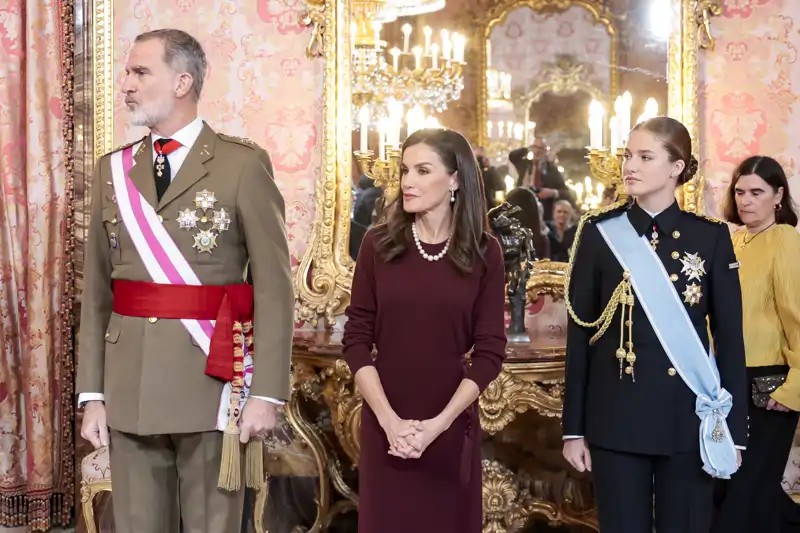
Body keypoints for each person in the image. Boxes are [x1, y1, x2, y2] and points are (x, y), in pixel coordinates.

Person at [75, 29, 294, 533]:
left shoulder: (241, 165)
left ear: (182, 81)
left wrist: (267, 393)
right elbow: (97, 295)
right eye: (126, 72)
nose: (126, 84)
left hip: (212, 384)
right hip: (130, 385)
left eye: (139, 72)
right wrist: (92, 394)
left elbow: (274, 286)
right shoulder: (113, 171)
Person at [562, 116, 748, 533]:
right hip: (616, 419)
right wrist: (573, 430)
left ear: (676, 167)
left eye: (646, 157)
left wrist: (734, 434)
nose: (631, 166)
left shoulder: (711, 238)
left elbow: (730, 341)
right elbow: (580, 337)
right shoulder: (598, 233)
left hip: (686, 419)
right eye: (629, 155)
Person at [342, 128, 507, 533]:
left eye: (422, 170)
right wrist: (389, 422)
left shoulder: (486, 252)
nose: (407, 181)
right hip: (385, 421)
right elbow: (356, 340)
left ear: (454, 179)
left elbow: (490, 353)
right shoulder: (377, 244)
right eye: (404, 170)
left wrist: (438, 425)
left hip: (449, 422)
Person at [712, 155, 800, 533]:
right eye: (740, 191)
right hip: (729, 380)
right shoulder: (736, 239)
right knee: (735, 486)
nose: (746, 200)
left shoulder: (783, 240)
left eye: (757, 192)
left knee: (748, 491)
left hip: (772, 382)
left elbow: (798, 315)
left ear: (778, 196)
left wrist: (794, 386)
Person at [508, 137, 573, 220]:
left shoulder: (552, 170)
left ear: (545, 151)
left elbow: (565, 192)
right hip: (523, 210)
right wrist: (528, 149)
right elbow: (512, 156)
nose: (537, 151)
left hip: (544, 213)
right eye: (535, 147)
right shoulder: (525, 165)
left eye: (540, 148)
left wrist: (553, 192)